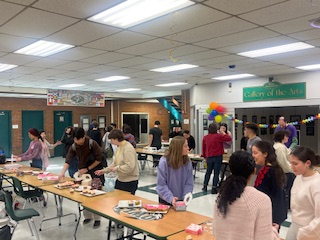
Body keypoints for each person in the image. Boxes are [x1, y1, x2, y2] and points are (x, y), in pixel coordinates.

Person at [213, 151, 280, 240]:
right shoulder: (262, 200)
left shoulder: (221, 196)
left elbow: (216, 231)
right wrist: (273, 231)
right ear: (254, 170)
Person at [59, 127, 104, 229]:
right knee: (84, 194)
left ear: (83, 137)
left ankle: (97, 218)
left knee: (95, 196)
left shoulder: (92, 143)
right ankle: (87, 216)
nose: (76, 141)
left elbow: (99, 159)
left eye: (78, 139)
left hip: (95, 172)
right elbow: (68, 160)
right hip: (83, 174)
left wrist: (87, 168)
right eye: (74, 139)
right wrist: (62, 173)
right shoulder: (74, 146)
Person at [286, 146, 320, 240]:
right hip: (295, 225)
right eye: (291, 163)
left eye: (295, 164)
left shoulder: (316, 184)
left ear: (307, 163)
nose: (292, 167)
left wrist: (305, 233)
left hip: (310, 231)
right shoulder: (299, 177)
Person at [252, 141, 287, 226]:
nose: (253, 155)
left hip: (269, 214)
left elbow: (260, 194)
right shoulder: (276, 169)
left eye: (255, 153)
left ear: (265, 154)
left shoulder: (265, 171)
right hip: (279, 212)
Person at [95, 129, 139, 194]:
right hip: (120, 179)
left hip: (129, 181)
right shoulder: (120, 147)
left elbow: (130, 167)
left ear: (116, 139)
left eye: (111, 140)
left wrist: (117, 168)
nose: (111, 142)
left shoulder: (128, 148)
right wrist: (104, 171)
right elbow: (115, 163)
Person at [156, 136, 193, 206]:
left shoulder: (187, 162)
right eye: (185, 146)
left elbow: (189, 182)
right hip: (165, 198)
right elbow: (161, 184)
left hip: (181, 199)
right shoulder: (164, 162)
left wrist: (187, 195)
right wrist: (170, 198)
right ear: (178, 148)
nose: (188, 148)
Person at [202, 123, 232, 194]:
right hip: (218, 156)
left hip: (209, 156)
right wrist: (224, 133)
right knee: (216, 173)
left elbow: (204, 148)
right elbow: (229, 138)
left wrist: (204, 156)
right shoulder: (219, 136)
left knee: (208, 172)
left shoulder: (205, 137)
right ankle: (214, 188)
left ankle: (205, 186)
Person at [273, 130, 295, 209]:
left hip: (282, 172)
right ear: (282, 137)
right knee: (288, 190)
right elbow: (283, 162)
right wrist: (293, 169)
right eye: (286, 136)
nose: (288, 138)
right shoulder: (280, 147)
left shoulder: (280, 146)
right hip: (284, 173)